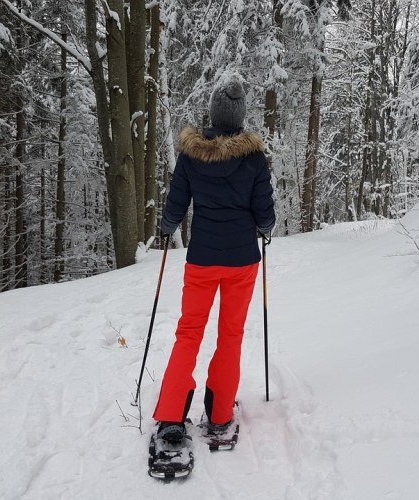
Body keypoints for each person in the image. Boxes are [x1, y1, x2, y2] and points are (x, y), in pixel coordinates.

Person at [153, 78, 275, 444]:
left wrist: (166, 227)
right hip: (242, 261)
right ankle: (221, 414)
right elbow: (265, 212)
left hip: (203, 258)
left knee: (189, 332)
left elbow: (176, 203)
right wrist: (265, 227)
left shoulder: (192, 155)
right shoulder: (253, 158)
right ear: (239, 117)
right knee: (231, 335)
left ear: (212, 113)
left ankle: (172, 415)